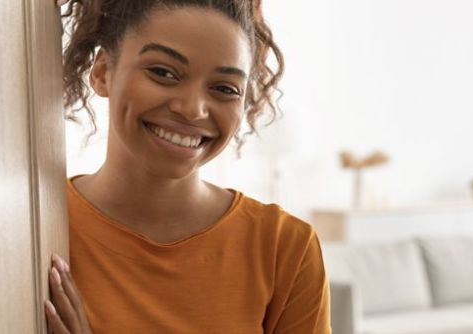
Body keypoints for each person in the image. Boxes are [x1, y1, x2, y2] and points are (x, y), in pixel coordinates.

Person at [44, 1, 332, 333]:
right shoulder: (41, 228)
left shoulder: (284, 247)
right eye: (163, 72)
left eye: (224, 88)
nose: (193, 110)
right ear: (103, 71)